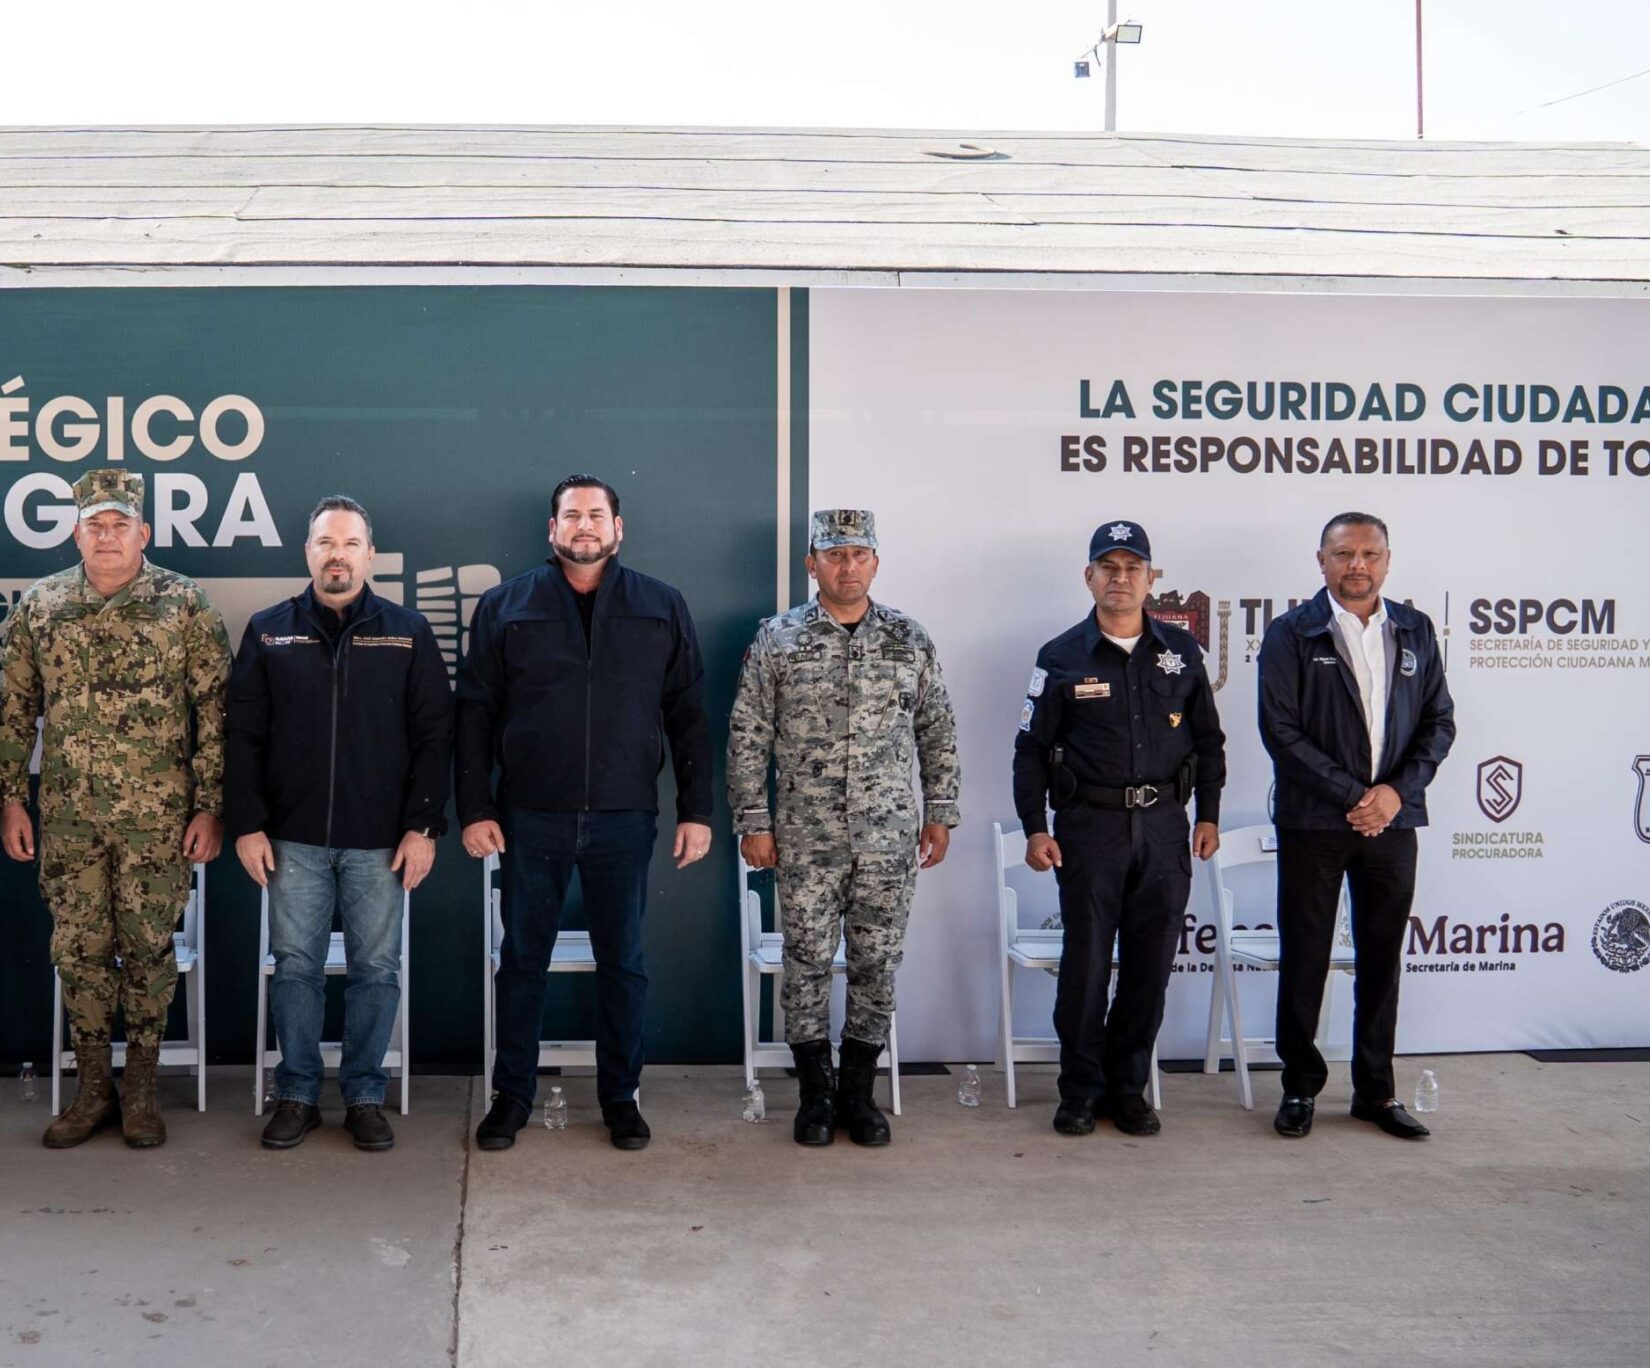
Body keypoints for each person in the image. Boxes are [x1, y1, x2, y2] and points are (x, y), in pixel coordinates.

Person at [457, 474, 713, 1153]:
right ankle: (512, 1095)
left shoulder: (660, 605)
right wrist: (475, 808)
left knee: (623, 962)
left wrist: (698, 811)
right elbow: (473, 716)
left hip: (625, 817)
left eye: (597, 515)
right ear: (552, 530)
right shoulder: (506, 605)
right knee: (522, 962)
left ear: (618, 528)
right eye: (572, 516)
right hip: (529, 816)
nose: (584, 527)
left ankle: (620, 1098)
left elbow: (688, 715)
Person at [0, 468, 228, 1150]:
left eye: (118, 524)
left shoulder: (184, 605)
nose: (106, 536)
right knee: (80, 952)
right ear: (75, 532)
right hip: (70, 819)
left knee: (150, 952)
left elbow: (213, 714)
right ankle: (93, 1089)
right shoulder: (41, 606)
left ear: (143, 532)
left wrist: (210, 806)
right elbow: (16, 714)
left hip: (157, 820)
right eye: (93, 525)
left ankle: (142, 1092)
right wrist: (12, 799)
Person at [226, 496, 452, 1152]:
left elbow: (435, 733)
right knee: (294, 968)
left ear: (369, 555)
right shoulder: (270, 630)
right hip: (290, 839)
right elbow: (241, 734)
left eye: (350, 544)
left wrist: (425, 827)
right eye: (326, 543)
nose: (337, 554)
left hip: (381, 842)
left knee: (376, 970)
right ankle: (296, 1093)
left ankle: (363, 1095)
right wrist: (247, 824)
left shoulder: (406, 630)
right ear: (308, 553)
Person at [728, 509, 958, 1148]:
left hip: (889, 837)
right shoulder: (778, 639)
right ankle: (814, 1097)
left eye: (859, 554)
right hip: (805, 835)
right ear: (812, 563)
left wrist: (941, 811)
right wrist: (754, 821)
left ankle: (859, 1095)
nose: (847, 566)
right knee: (802, 962)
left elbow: (935, 730)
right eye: (834, 555)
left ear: (876, 562)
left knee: (876, 963)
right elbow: (749, 736)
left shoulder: (908, 639)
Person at [1013, 520, 1227, 1137]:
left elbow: (1209, 741)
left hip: (1164, 828)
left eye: (1133, 567)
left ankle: (1129, 1088)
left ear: (1151, 579)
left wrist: (1207, 813)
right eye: (1108, 567)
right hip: (1089, 829)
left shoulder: (1181, 653)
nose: (1121, 578)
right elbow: (1030, 750)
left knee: (1149, 968)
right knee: (1083, 969)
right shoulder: (1059, 656)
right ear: (1089, 577)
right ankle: (1080, 1090)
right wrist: (1035, 825)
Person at [1259, 511, 1455, 1141]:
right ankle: (1299, 1088)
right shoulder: (1292, 633)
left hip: (1393, 826)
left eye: (1370, 554)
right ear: (1322, 561)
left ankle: (1376, 1092)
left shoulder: (1415, 629)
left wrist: (1395, 794)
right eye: (1344, 554)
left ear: (1388, 561)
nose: (1357, 566)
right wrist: (1355, 796)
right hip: (1314, 822)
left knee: (1381, 960)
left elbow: (1439, 723)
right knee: (1307, 957)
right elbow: (1280, 732)